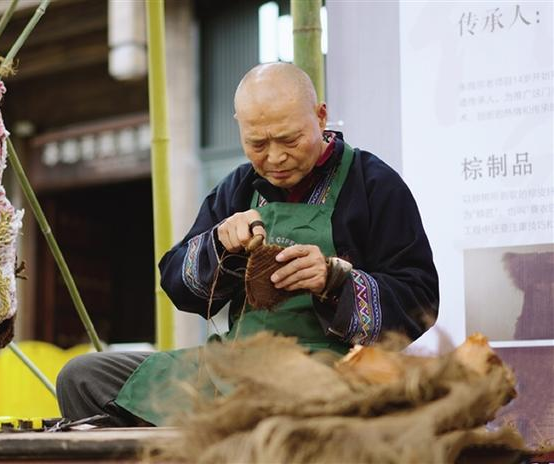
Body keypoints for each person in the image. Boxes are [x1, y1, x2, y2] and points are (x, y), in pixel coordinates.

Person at [56, 62, 439, 426]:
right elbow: (175, 281)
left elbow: (419, 297)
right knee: (83, 377)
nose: (275, 157)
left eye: (289, 139)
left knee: (298, 406)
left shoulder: (374, 185)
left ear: (320, 117)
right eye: (257, 143)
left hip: (326, 375)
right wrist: (219, 247)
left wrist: (334, 280)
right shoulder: (237, 188)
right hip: (232, 369)